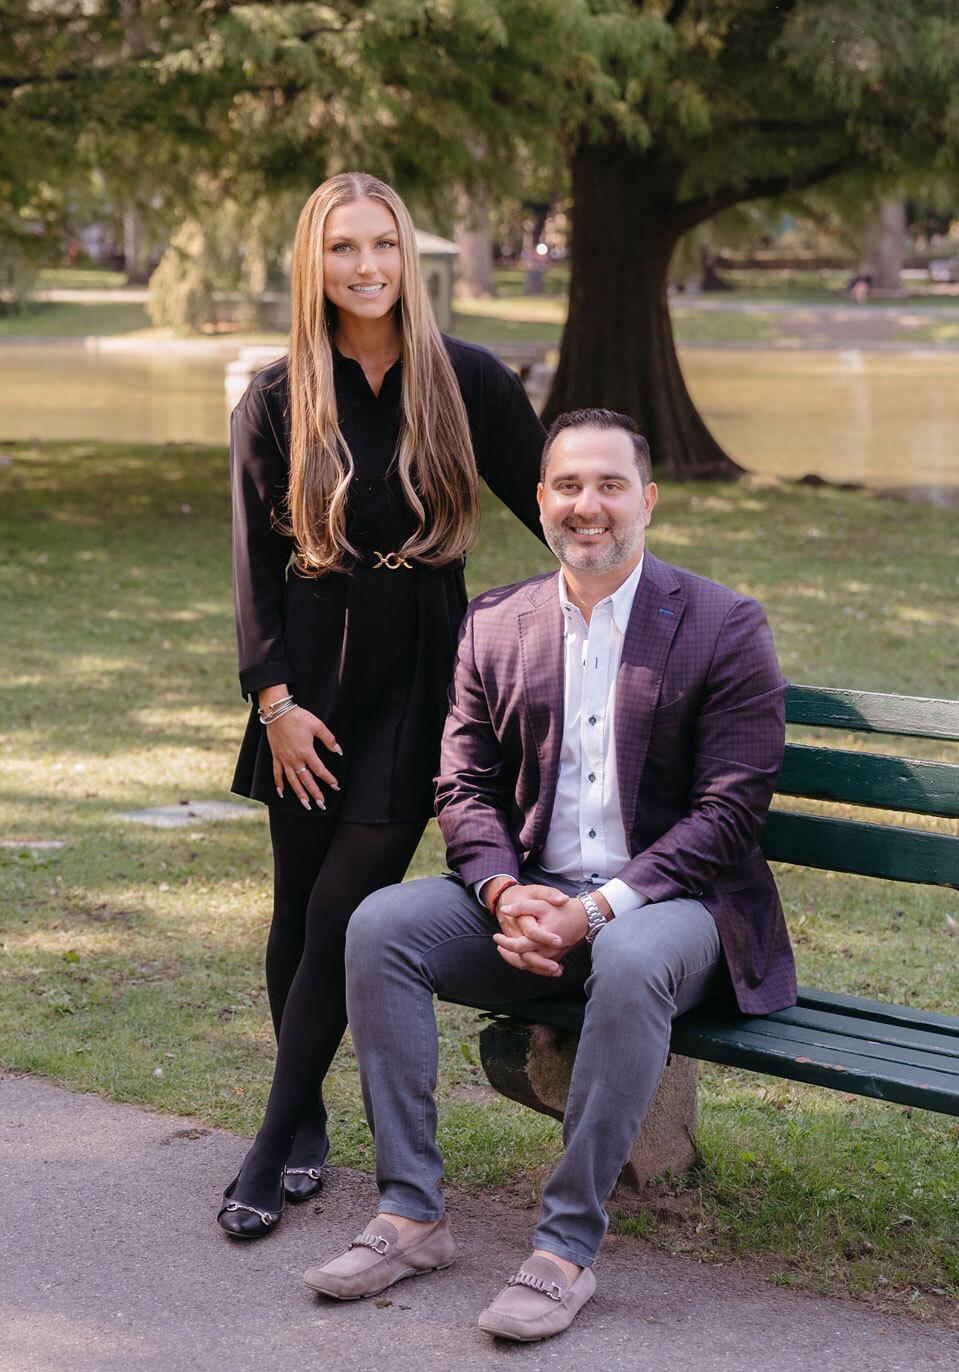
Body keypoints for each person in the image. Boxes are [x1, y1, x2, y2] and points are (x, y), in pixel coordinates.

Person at [303, 408, 797, 1340]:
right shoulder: (497, 621)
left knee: (630, 955)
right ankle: (411, 1215)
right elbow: (464, 782)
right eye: (568, 485)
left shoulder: (722, 624)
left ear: (647, 500)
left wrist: (596, 910)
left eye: (610, 484)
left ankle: (565, 1248)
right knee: (380, 926)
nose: (587, 505)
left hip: (676, 909)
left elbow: (730, 812)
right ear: (539, 501)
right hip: (532, 897)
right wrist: (501, 890)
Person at [219, 171, 546, 1239]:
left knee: (339, 909)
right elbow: (251, 567)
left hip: (423, 668)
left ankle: (269, 1142)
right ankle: (306, 1116)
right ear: (312, 263)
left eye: (382, 245)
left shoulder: (468, 379)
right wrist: (274, 702)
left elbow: (558, 505)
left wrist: (643, 594)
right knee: (296, 902)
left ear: (407, 255)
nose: (366, 266)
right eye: (342, 247)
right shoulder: (275, 396)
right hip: (308, 678)